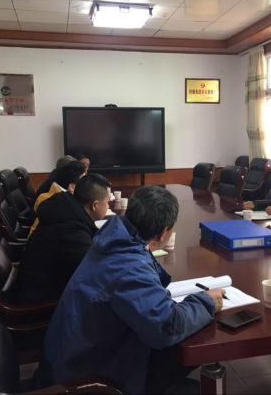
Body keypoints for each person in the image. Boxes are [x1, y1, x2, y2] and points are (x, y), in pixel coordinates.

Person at [34, 186, 224, 394]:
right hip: (85, 379)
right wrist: (207, 301)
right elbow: (166, 326)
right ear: (163, 233)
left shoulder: (114, 239)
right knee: (191, 373)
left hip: (79, 358)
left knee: (180, 352)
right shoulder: (129, 268)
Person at [14, 173, 112, 305]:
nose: (108, 207)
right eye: (107, 202)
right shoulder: (71, 231)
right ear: (94, 205)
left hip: (39, 288)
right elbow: (95, 273)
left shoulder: (65, 211)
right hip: (41, 304)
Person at [29, 161, 87, 237]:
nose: (87, 185)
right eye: (84, 182)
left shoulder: (59, 195)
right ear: (72, 187)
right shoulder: (52, 201)